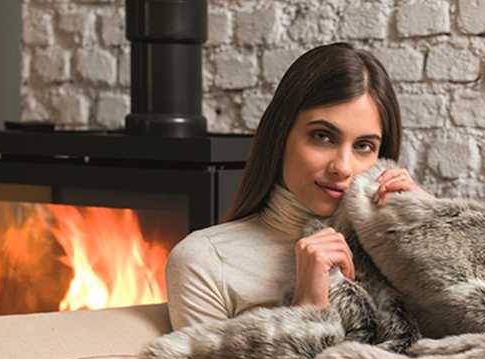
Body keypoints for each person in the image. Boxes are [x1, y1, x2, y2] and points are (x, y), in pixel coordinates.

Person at [165, 42, 431, 331]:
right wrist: (307, 309)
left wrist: (434, 224)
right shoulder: (204, 262)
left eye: (364, 146)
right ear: (281, 136)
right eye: (323, 136)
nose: (342, 167)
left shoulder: (392, 253)